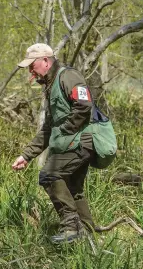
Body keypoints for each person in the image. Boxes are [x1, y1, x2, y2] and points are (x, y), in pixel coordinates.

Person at [11, 43, 115, 244]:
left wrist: (66, 130)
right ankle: (87, 235)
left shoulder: (67, 76)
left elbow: (84, 105)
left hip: (82, 142)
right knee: (73, 188)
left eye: (32, 65)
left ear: (45, 61)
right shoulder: (50, 86)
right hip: (72, 143)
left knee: (49, 175)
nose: (31, 71)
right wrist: (26, 155)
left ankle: (70, 226)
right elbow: (49, 129)